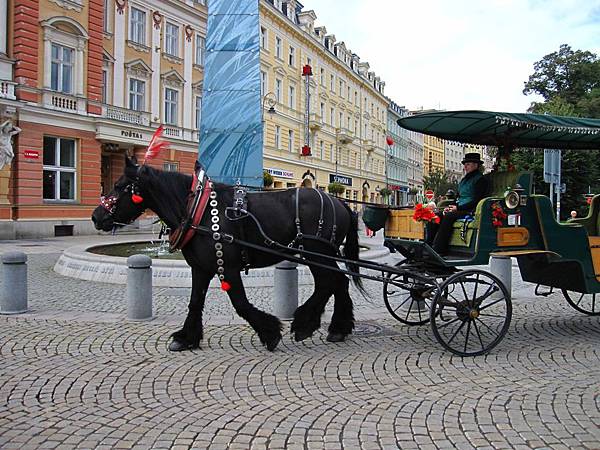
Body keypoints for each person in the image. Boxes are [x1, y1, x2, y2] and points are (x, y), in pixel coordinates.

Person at [426, 153, 489, 255]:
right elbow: (457, 197)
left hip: (470, 209)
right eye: (465, 164)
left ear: (476, 165)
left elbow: (476, 200)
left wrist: (457, 208)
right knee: (435, 216)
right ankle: (428, 245)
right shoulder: (464, 180)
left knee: (448, 216)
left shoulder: (480, 180)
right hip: (459, 208)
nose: (465, 166)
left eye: (468, 164)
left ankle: (440, 249)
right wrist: (450, 207)